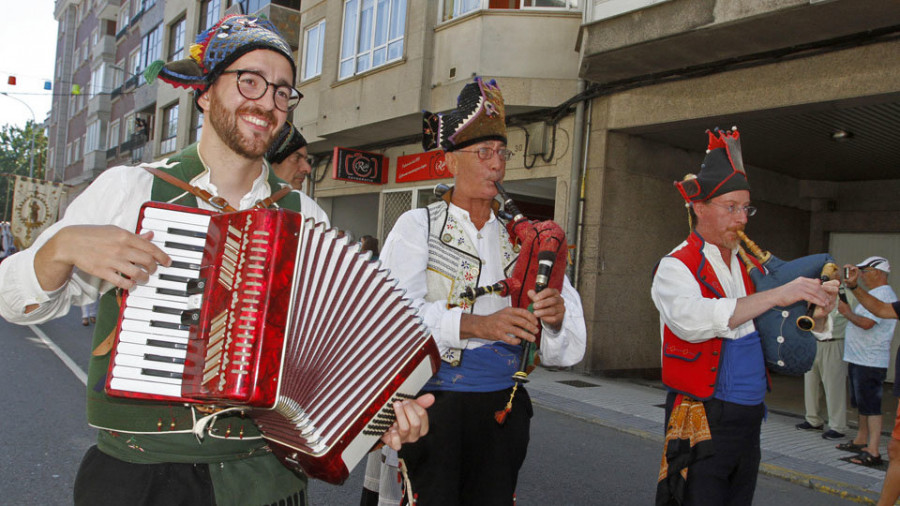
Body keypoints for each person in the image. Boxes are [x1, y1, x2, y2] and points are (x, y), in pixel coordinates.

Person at [0, 14, 430, 505]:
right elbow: (12, 301)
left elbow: (338, 346)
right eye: (250, 81)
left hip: (265, 483)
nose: (267, 102)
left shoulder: (303, 216)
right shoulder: (134, 189)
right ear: (205, 93)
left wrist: (384, 413)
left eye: (282, 91)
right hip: (142, 476)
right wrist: (63, 246)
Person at [374, 77, 586, 505]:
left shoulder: (525, 238)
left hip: (504, 408)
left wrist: (557, 318)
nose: (497, 165)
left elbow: (570, 351)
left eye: (502, 153)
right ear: (450, 161)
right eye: (483, 153)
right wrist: (477, 325)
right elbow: (391, 319)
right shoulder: (418, 227)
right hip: (436, 407)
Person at [651, 126, 838, 506]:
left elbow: (777, 330)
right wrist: (777, 294)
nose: (742, 218)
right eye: (731, 207)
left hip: (749, 416)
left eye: (745, 208)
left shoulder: (748, 265)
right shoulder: (676, 265)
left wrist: (816, 313)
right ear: (700, 208)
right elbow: (692, 320)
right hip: (702, 412)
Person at [843, 261, 900, 506]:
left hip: (870, 359)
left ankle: (872, 449)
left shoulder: (886, 292)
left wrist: (846, 311)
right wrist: (854, 287)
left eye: (865, 272)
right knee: (897, 451)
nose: (863, 275)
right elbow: (880, 310)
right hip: (861, 359)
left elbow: (870, 320)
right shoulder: (883, 299)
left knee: (896, 450)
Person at [796, 281, 853, 440]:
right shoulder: (816, 292)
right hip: (814, 341)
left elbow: (851, 313)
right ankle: (813, 419)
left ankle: (837, 426)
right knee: (811, 383)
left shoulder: (846, 293)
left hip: (833, 342)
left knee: (833, 385)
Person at [265, 121, 313, 191]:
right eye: (296, 158)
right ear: (269, 164)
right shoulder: (246, 200)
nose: (308, 169)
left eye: (306, 160)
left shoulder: (302, 201)